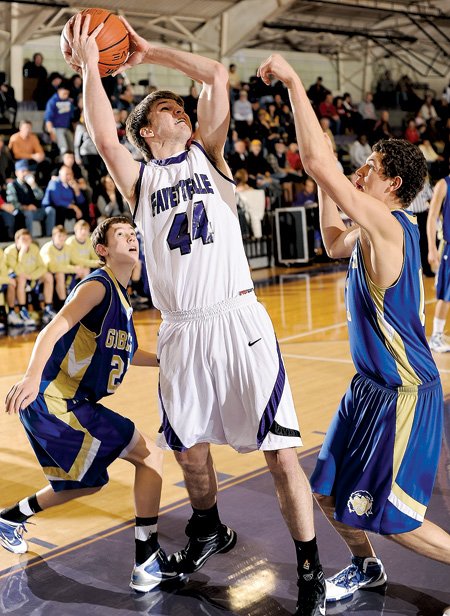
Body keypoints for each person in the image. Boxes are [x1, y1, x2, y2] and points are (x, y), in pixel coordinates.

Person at [64, 14, 325, 616]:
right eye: (165, 110)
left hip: (236, 321)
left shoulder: (210, 156)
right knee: (190, 450)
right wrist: (89, 69)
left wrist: (153, 52)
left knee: (279, 447)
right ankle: (207, 528)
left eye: (183, 110)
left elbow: (214, 73)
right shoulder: (142, 178)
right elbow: (104, 136)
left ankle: (309, 563)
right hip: (182, 328)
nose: (179, 112)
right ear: (145, 130)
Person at [257, 53, 450, 606]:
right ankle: (366, 567)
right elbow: (331, 241)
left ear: (391, 183)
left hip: (404, 392)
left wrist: (294, 81)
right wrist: (328, 183)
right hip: (368, 388)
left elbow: (320, 164)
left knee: (400, 521)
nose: (358, 170)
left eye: (368, 166)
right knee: (327, 490)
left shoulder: (389, 226)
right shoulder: (370, 231)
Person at [0, 216, 183, 593]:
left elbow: (128, 354)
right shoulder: (97, 286)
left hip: (77, 401)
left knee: (85, 484)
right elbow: (53, 329)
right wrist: (33, 376)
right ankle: (146, 559)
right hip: (54, 399)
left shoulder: (121, 297)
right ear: (102, 250)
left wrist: (167, 361)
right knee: (148, 455)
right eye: (122, 235)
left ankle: (8, 518)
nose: (132, 238)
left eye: (134, 234)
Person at [4, 228, 55, 327]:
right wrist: (22, 254)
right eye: (23, 239)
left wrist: (32, 276)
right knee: (21, 278)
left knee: (48, 276)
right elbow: (17, 271)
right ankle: (23, 310)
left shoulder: (34, 248)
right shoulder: (9, 251)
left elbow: (42, 267)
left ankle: (47, 308)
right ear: (17, 240)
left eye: (28, 239)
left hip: (31, 276)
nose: (26, 242)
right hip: (17, 278)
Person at [427, 172, 450, 352]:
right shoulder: (443, 184)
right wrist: (432, 247)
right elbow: (432, 217)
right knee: (446, 292)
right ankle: (436, 335)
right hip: (448, 246)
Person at [6, 159, 55, 237]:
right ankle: (29, 237)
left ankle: (49, 236)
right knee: (28, 214)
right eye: (22, 171)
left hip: (34, 211)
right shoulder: (12, 185)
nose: (25, 173)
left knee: (50, 210)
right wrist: (26, 207)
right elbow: (13, 203)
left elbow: (40, 196)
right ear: (16, 173)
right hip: (21, 211)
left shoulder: (30, 183)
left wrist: (33, 185)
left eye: (26, 171)